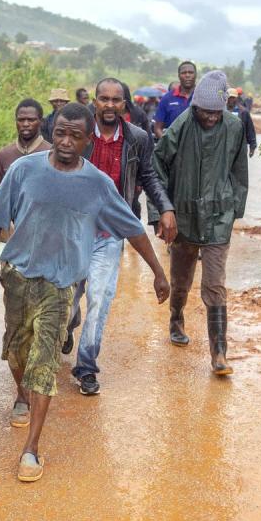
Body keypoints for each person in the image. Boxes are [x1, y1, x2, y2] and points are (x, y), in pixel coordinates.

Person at [0, 102, 170, 482]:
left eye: (76, 136)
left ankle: (31, 449)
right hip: (18, 277)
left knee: (44, 361)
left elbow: (131, 228)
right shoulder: (23, 170)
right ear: (53, 132)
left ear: (87, 140)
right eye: (61, 133)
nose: (66, 142)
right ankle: (22, 394)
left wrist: (158, 271)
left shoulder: (98, 184)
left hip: (61, 285)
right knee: (16, 353)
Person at [64, 77, 177, 395]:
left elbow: (150, 177)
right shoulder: (80, 134)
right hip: (74, 230)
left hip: (110, 233)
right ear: (94, 102)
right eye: (104, 99)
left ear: (125, 105)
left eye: (116, 100)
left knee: (99, 300)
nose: (110, 105)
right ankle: (67, 326)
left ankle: (86, 367)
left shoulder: (137, 138)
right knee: (68, 302)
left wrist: (165, 208)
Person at [151, 70, 248, 376]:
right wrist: (162, 212)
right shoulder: (182, 124)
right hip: (184, 217)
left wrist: (233, 210)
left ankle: (218, 353)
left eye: (214, 112)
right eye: (204, 112)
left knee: (215, 284)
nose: (209, 118)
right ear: (194, 108)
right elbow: (156, 165)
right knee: (181, 281)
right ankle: (176, 317)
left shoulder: (234, 126)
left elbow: (239, 172)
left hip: (219, 217)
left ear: (224, 107)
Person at [0, 98, 51, 185]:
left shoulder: (51, 154)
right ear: (16, 121)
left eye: (31, 120)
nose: (25, 124)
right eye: (21, 120)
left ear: (41, 122)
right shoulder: (4, 155)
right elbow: (2, 193)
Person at [154, 61, 197, 139]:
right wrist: (168, 145)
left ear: (195, 75)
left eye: (191, 72)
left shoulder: (203, 96)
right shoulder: (167, 99)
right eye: (184, 73)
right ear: (179, 76)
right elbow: (157, 129)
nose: (187, 75)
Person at [226, 87, 258, 157]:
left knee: (240, 167)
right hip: (224, 146)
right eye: (229, 97)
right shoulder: (220, 112)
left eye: (233, 97)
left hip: (240, 146)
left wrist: (252, 146)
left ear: (237, 98)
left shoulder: (243, 112)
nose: (231, 100)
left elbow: (250, 129)